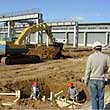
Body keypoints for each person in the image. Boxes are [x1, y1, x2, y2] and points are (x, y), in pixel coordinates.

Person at [85, 41, 110, 110]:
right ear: (101, 48)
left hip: (92, 80)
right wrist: (106, 73)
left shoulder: (90, 57)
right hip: (101, 80)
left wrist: (86, 80)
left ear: (94, 48)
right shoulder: (106, 57)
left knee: (94, 98)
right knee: (101, 97)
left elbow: (88, 70)